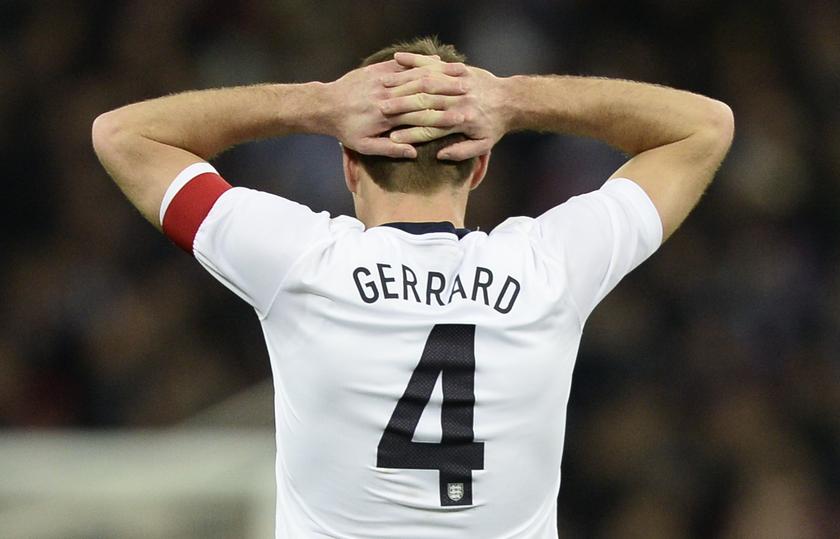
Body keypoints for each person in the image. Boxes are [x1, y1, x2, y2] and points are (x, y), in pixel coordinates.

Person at [92, 36, 733, 538]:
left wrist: (316, 104)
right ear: (480, 164)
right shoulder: (550, 268)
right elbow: (703, 127)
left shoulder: (299, 262)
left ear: (348, 161)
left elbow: (123, 136)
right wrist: (513, 99)